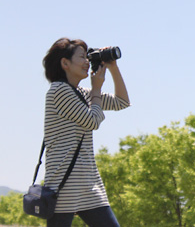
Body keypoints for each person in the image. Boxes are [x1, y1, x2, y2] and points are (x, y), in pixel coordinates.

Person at [42, 38, 130, 227]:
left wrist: (113, 68)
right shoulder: (58, 90)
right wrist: (97, 88)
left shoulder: (83, 93)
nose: (87, 62)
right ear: (65, 63)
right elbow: (92, 121)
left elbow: (122, 101)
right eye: (81, 57)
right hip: (64, 183)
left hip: (89, 183)